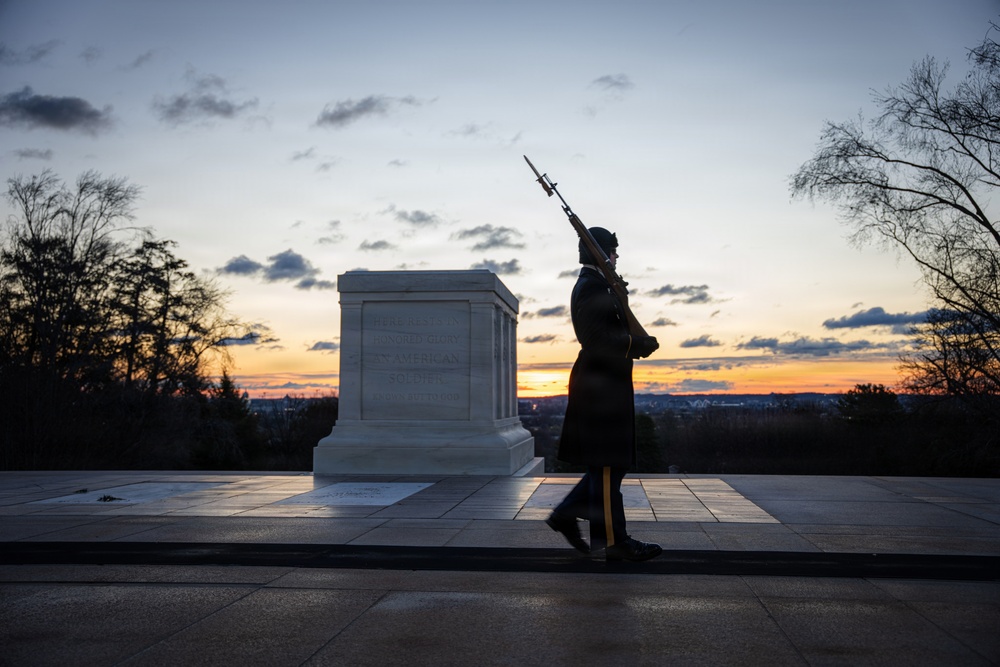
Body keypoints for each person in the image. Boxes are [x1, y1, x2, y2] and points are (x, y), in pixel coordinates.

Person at [545, 226, 663, 561]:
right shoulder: (591, 286)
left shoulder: (599, 285)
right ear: (601, 253)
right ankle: (615, 542)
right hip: (601, 387)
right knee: (610, 464)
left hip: (605, 383)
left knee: (609, 465)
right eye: (613, 250)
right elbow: (596, 340)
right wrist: (636, 344)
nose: (617, 256)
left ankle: (567, 514)